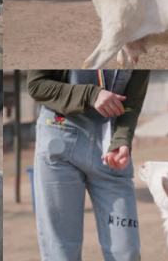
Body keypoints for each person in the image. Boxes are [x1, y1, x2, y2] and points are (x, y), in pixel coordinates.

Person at [27, 70, 150, 261]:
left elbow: (132, 101)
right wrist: (91, 95)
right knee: (61, 253)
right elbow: (36, 85)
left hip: (112, 150)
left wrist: (122, 139)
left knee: (127, 252)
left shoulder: (141, 44)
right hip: (60, 137)